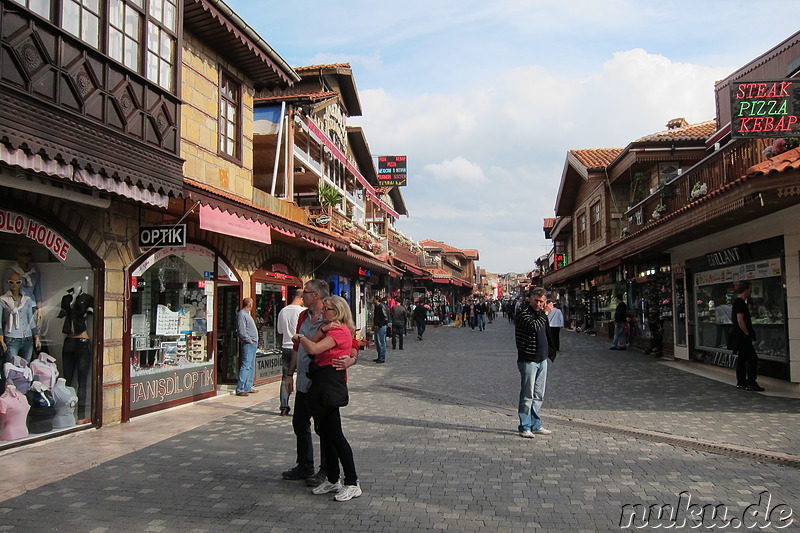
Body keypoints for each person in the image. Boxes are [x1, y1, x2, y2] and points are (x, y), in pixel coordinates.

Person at [283, 280, 357, 486]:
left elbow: (352, 345)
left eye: (304, 292)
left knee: (326, 430)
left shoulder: (335, 325)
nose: (301, 295)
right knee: (300, 423)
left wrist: (351, 360)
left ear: (315, 295)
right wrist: (289, 374)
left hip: (326, 383)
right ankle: (305, 464)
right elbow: (300, 347)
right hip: (307, 379)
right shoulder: (303, 316)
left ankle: (328, 472)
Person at [515, 287, 556, 438]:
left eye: (542, 301)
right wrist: (545, 313)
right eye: (536, 300)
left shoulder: (540, 314)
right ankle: (525, 426)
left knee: (539, 394)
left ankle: (536, 424)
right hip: (528, 359)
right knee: (527, 395)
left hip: (542, 358)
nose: (539, 304)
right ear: (530, 298)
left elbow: (545, 331)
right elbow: (534, 327)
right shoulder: (523, 313)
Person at [276, 289, 305, 416]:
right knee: (302, 377)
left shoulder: (283, 311)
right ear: (302, 298)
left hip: (285, 346)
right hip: (298, 347)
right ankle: (301, 407)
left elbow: (280, 331)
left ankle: (284, 406)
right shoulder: (302, 312)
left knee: (285, 377)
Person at [0, 272, 41, 363]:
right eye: (11, 282)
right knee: (12, 367)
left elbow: (31, 319)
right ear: (8, 283)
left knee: (26, 367)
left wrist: (36, 337)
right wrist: (1, 339)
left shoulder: (27, 300)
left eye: (17, 282)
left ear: (21, 283)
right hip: (12, 338)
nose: (14, 285)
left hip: (27, 337)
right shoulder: (3, 300)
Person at [731, 281, 764, 391]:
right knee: (752, 357)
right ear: (745, 289)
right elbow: (740, 320)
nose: (751, 291)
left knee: (742, 358)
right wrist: (747, 333)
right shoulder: (740, 303)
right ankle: (751, 381)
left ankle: (741, 381)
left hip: (739, 335)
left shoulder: (738, 302)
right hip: (743, 336)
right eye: (750, 289)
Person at [235, 298, 258, 397]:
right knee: (246, 365)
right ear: (249, 305)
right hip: (249, 343)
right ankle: (240, 388)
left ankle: (248, 386)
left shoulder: (247, 314)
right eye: (252, 304)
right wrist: (248, 340)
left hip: (253, 342)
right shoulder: (242, 314)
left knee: (251, 365)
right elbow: (242, 330)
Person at [372, 296, 388, 363]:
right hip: (377, 326)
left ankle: (382, 358)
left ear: (377, 300)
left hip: (380, 327)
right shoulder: (377, 307)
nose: (373, 300)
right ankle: (379, 356)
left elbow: (385, 317)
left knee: (381, 342)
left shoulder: (381, 307)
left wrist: (380, 325)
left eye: (374, 299)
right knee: (377, 342)